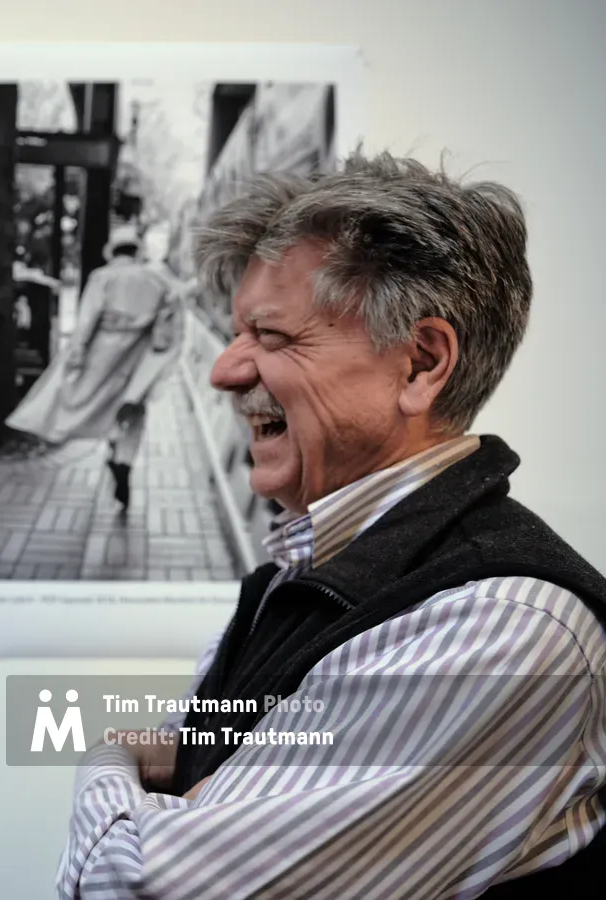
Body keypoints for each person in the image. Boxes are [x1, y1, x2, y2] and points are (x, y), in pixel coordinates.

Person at [55, 150, 606, 899]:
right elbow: (199, 768)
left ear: (421, 363)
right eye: (236, 332)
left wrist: (109, 761)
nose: (226, 369)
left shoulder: (499, 624)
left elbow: (143, 885)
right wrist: (182, 784)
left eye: (272, 336)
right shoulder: (317, 564)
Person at [6, 224, 184, 510]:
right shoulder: (156, 280)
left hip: (103, 352)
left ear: (112, 251)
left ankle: (111, 442)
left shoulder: (102, 277)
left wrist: (77, 353)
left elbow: (88, 318)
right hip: (138, 357)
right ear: (137, 251)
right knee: (133, 409)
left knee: (94, 403)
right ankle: (124, 458)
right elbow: (171, 318)